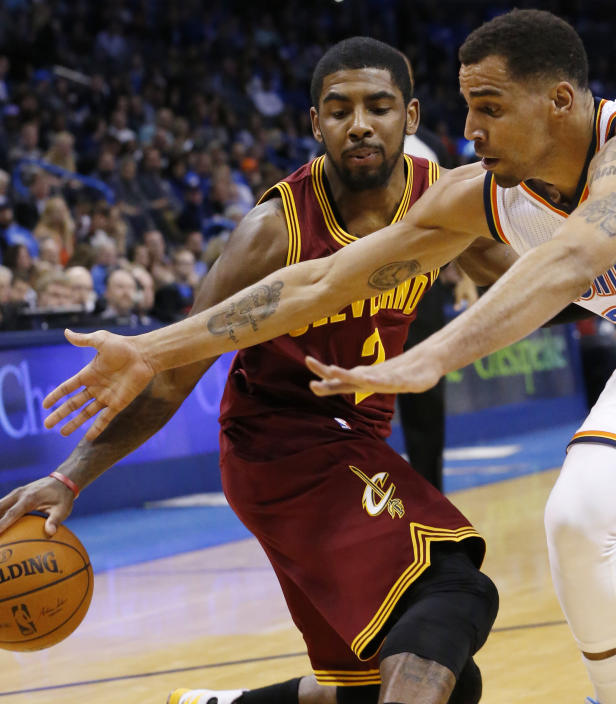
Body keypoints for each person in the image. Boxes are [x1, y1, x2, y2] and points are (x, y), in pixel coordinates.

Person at [31, 10, 616, 704]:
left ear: (559, 101)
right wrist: (149, 347)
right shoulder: (478, 192)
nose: (469, 133)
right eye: (465, 109)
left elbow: (574, 259)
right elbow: (317, 284)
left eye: (487, 109)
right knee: (575, 514)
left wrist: (432, 357)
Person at [0, 38, 504, 704]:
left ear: (409, 117)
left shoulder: (442, 203)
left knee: (434, 680)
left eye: (378, 107)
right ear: (314, 124)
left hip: (355, 441)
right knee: (456, 589)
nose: (360, 124)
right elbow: (175, 374)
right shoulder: (274, 230)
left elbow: (530, 281)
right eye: (339, 109)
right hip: (281, 448)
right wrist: (71, 476)